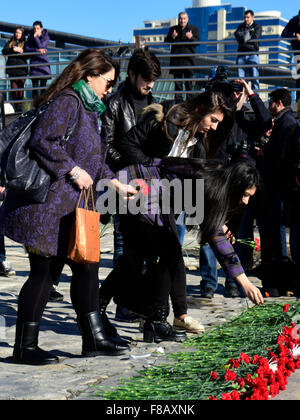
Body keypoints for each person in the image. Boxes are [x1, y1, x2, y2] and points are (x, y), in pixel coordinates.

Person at [0, 48, 138, 366]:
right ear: (90, 76)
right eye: (108, 80)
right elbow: (43, 139)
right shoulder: (68, 101)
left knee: (86, 268)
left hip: (70, 209)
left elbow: (94, 161)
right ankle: (26, 347)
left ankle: (93, 338)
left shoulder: (90, 110)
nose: (110, 87)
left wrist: (115, 183)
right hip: (48, 209)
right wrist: (72, 170)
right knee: (44, 274)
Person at [102, 90, 234, 334]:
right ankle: (108, 309)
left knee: (166, 254)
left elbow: (196, 189)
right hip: (135, 196)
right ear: (199, 111)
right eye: (213, 120)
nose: (214, 127)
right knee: (140, 257)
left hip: (164, 205)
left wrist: (217, 222)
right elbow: (126, 144)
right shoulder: (163, 122)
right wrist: (152, 172)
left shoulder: (197, 145)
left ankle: (158, 318)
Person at [98, 158, 264, 343]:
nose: (245, 201)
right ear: (235, 185)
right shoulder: (209, 181)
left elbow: (196, 208)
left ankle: (148, 319)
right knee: (158, 252)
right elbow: (218, 242)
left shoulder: (216, 177)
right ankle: (112, 311)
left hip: (153, 197)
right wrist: (244, 282)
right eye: (245, 194)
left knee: (150, 255)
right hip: (136, 187)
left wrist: (215, 222)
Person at [199, 78, 272, 299]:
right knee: (210, 231)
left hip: (240, 187)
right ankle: (209, 282)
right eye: (231, 93)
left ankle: (232, 281)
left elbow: (266, 121)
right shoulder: (217, 120)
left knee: (234, 235)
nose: (234, 96)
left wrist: (251, 95)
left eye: (237, 92)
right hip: (216, 182)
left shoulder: (243, 119)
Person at [102, 48, 161, 322]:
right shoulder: (114, 103)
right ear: (132, 74)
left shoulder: (156, 105)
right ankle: (121, 303)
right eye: (145, 78)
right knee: (124, 245)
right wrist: (130, 165)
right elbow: (106, 147)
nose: (149, 84)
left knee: (146, 250)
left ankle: (135, 300)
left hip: (150, 186)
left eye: (153, 80)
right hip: (123, 183)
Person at [259, 88, 298, 295]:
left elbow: (282, 157)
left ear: (279, 103)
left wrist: (265, 153)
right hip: (278, 187)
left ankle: (280, 282)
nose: (269, 106)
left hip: (278, 188)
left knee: (277, 233)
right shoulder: (286, 122)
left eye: (271, 102)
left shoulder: (287, 123)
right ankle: (278, 282)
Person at [165, 12, 200, 101]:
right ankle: (178, 102)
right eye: (180, 18)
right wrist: (172, 37)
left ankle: (189, 102)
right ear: (178, 19)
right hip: (176, 61)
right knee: (178, 85)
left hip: (188, 61)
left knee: (189, 84)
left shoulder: (193, 29)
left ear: (187, 19)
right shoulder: (173, 29)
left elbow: (198, 42)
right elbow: (166, 40)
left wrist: (191, 37)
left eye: (184, 18)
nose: (182, 20)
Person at [234, 10, 262, 92]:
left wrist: (244, 39)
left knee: (254, 77)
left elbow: (256, 38)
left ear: (253, 17)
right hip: (241, 55)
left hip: (253, 54)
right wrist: (248, 36)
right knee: (241, 78)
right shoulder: (240, 26)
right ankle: (241, 98)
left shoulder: (257, 26)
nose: (246, 19)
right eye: (245, 17)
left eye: (248, 17)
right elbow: (237, 36)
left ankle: (255, 96)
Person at [2, 26, 28, 112]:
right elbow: (4, 51)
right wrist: (14, 50)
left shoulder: (25, 42)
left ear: (22, 34)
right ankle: (16, 106)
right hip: (12, 69)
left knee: (20, 89)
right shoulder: (10, 41)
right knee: (14, 89)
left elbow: (28, 54)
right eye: (16, 32)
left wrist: (21, 51)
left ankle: (19, 107)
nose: (17, 34)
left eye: (19, 33)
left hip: (22, 69)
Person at [25, 21, 51, 99]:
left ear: (41, 29)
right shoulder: (30, 37)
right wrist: (36, 50)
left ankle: (42, 108)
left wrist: (36, 37)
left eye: (38, 28)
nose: (36, 30)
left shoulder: (46, 36)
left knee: (43, 88)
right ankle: (35, 108)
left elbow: (42, 46)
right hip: (34, 64)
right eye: (34, 28)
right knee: (35, 89)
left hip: (43, 65)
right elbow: (26, 49)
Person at [281, 10, 300, 101]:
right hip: (298, 54)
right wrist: (294, 34)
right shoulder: (293, 20)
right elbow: (283, 34)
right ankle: (298, 99)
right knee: (299, 77)